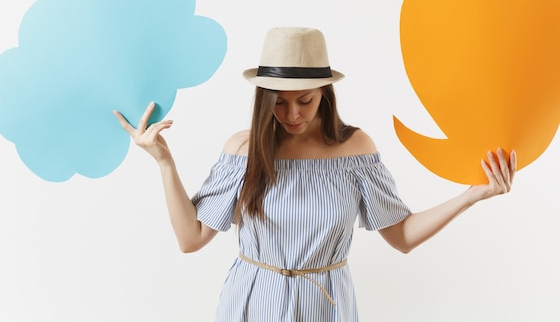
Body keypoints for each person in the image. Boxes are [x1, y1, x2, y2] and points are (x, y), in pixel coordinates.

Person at [113, 27, 516, 322]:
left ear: (325, 91)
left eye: (304, 100)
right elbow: (190, 239)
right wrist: (165, 163)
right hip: (253, 304)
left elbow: (403, 237)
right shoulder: (243, 149)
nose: (292, 115)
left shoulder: (356, 150)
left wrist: (471, 194)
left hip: (327, 305)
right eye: (279, 103)